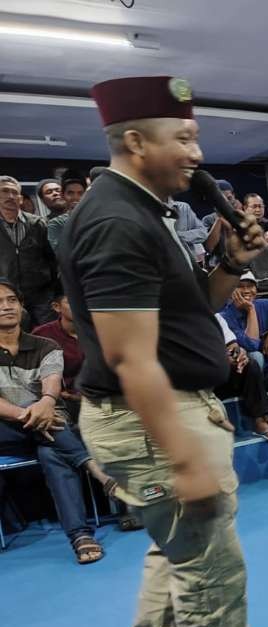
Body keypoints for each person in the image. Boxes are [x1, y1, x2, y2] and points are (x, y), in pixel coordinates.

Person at [60, 75, 264, 627]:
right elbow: (130, 356)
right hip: (151, 418)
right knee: (208, 565)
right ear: (134, 141)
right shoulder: (117, 220)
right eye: (183, 138)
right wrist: (181, 458)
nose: (197, 154)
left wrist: (228, 263)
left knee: (172, 550)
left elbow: (187, 316)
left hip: (161, 409)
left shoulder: (143, 211)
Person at [0, 278, 111, 564]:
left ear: (22, 306)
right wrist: (30, 414)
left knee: (52, 453)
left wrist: (47, 402)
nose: (5, 307)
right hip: (7, 432)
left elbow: (51, 383)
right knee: (51, 430)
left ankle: (80, 536)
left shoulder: (45, 345)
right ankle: (95, 468)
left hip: (47, 426)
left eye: (11, 300)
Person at [218, 271, 268, 427]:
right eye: (241, 286)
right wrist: (251, 311)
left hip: (266, 369)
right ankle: (261, 418)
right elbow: (251, 345)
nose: (247, 291)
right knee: (255, 356)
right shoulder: (225, 316)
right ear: (230, 291)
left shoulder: (266, 305)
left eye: (251, 286)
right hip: (241, 375)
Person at [213, 314, 268, 441]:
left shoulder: (215, 316)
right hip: (193, 383)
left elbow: (232, 345)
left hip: (218, 377)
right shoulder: (170, 320)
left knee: (249, 363)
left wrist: (238, 355)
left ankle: (260, 420)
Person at [0, 176, 57, 328]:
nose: (10, 196)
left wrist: (53, 291)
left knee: (48, 337)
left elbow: (52, 259)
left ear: (20, 199)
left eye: (14, 192)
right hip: (5, 297)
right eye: (5, 191)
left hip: (41, 297)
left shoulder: (38, 224)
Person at [31, 290, 85, 423]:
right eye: (71, 301)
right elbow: (33, 374)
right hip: (61, 401)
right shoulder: (42, 335)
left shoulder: (99, 330)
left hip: (99, 398)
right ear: (57, 307)